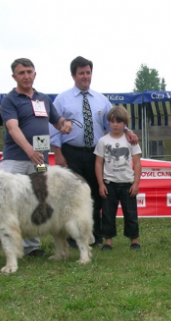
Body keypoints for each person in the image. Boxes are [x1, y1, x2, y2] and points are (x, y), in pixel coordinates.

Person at [0, 58, 73, 261]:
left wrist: (65, 124)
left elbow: (57, 120)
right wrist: (29, 150)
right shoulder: (10, 100)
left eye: (29, 72)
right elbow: (13, 127)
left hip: (40, 160)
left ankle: (31, 246)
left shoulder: (44, 99)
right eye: (21, 73)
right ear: (14, 77)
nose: (26, 76)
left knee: (36, 201)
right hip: (15, 159)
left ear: (35, 74)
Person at [49, 56, 138, 248]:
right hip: (70, 153)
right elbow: (54, 130)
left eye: (88, 72)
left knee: (96, 196)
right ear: (73, 75)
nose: (85, 76)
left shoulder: (101, 100)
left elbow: (114, 122)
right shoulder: (61, 100)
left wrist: (128, 132)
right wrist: (58, 154)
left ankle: (95, 236)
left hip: (96, 155)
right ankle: (73, 237)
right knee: (72, 195)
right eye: (81, 73)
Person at [94, 106, 142, 251]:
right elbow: (98, 162)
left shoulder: (131, 140)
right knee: (108, 214)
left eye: (119, 122)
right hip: (109, 183)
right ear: (108, 122)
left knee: (131, 214)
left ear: (125, 123)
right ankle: (108, 241)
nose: (115, 124)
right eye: (112, 121)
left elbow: (138, 162)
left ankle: (134, 240)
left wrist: (136, 183)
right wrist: (101, 184)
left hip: (127, 183)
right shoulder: (103, 141)